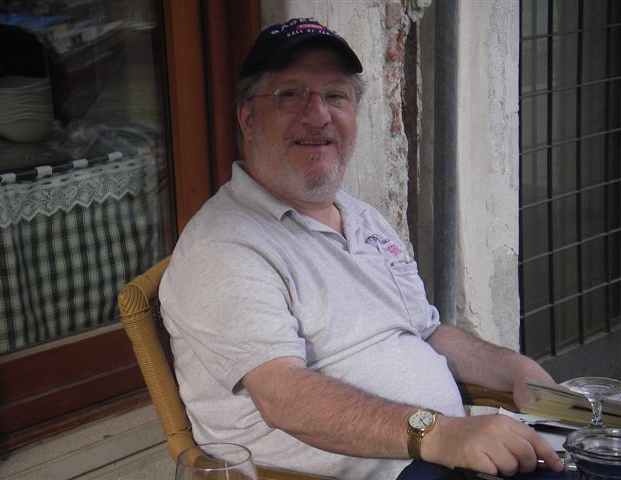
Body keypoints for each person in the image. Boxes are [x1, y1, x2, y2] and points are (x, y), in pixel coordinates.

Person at [159, 18, 565, 479]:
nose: (318, 115)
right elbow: (281, 395)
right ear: (248, 119)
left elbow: (426, 331)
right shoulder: (224, 245)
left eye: (336, 96)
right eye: (290, 94)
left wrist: (517, 370)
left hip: (442, 458)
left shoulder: (359, 216)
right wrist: (440, 434)